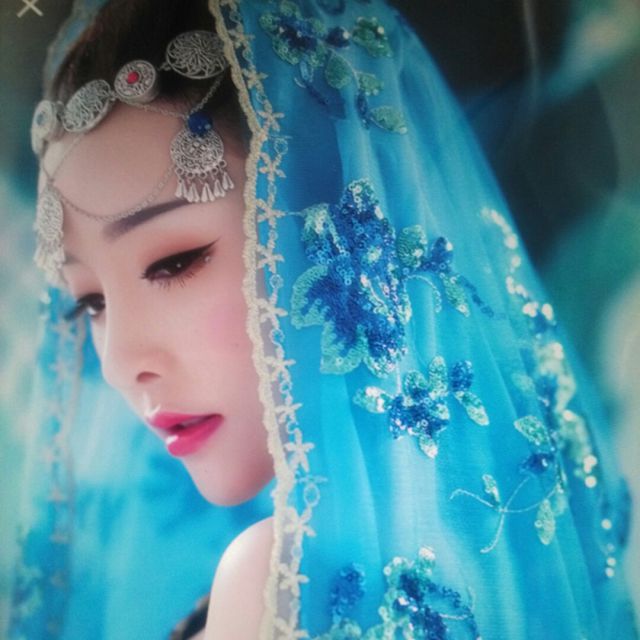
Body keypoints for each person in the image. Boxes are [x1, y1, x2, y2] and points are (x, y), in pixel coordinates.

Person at [13, 0, 639, 638]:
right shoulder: (497, 556)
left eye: (175, 261)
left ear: (332, 223)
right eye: (90, 301)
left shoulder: (280, 582)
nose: (120, 364)